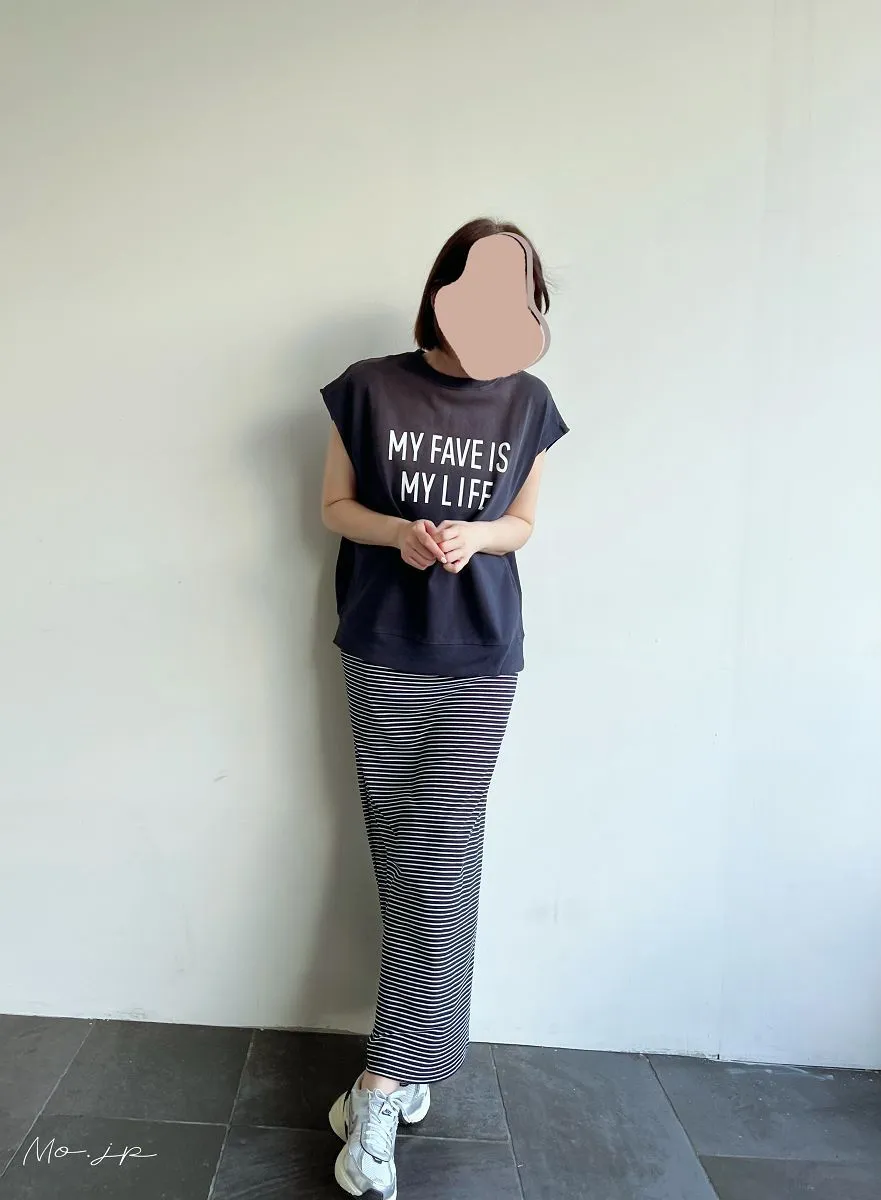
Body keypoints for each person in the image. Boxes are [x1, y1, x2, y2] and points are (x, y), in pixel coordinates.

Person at [319, 217, 568, 1199]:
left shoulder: (528, 401)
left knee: (437, 852)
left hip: (479, 653)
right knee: (411, 854)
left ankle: (379, 1086)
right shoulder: (368, 387)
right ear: (442, 292)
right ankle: (420, 1057)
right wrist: (400, 534)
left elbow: (522, 523)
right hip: (381, 643)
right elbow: (334, 508)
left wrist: (475, 536)